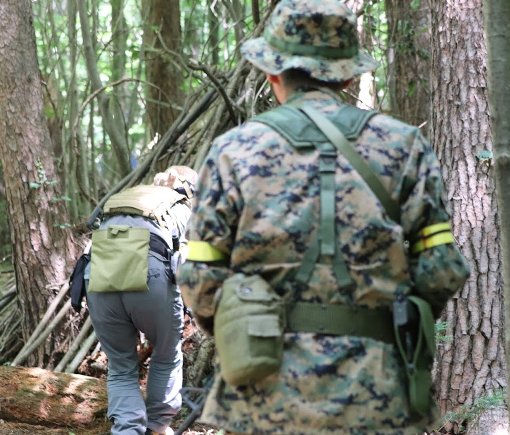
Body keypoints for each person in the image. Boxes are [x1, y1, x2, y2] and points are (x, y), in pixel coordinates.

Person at [177, 1, 470, 433]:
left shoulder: (233, 151)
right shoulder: (403, 145)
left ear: (272, 73)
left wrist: (243, 327)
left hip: (263, 395)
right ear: (348, 76)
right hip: (377, 393)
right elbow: (441, 268)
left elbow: (201, 280)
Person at [85, 166, 197, 435]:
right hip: (151, 273)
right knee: (167, 355)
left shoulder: (129, 198)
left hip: (98, 273)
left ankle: (127, 430)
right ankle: (156, 427)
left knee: (121, 366)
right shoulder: (182, 206)